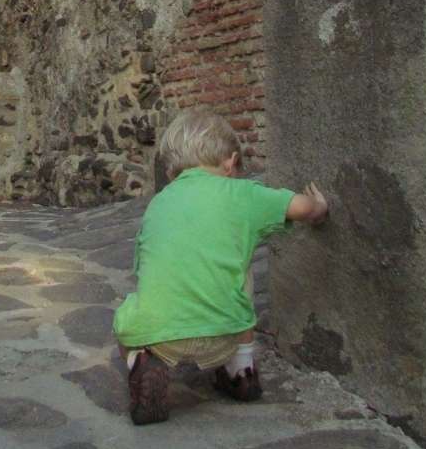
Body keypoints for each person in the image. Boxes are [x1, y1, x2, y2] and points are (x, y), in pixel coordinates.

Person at [113, 106, 328, 425]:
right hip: (225, 332)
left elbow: (142, 267)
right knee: (238, 265)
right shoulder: (242, 192)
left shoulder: (158, 204)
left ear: (173, 173)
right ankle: (240, 371)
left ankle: (142, 362)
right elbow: (300, 208)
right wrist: (318, 206)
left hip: (161, 336)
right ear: (230, 162)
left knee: (130, 314)